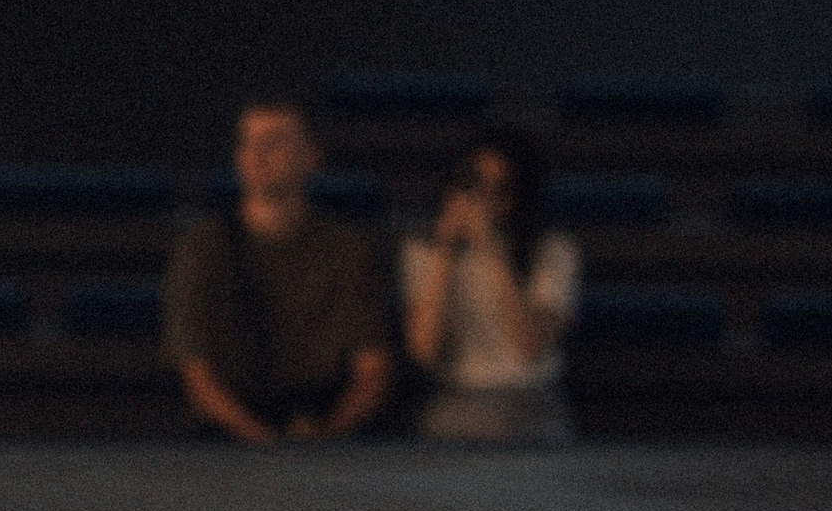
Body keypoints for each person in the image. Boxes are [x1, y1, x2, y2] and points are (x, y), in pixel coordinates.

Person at [164, 96, 396, 444]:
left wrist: (327, 436)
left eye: (274, 143)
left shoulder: (348, 249)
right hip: (231, 428)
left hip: (327, 420)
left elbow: (373, 369)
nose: (256, 156)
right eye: (247, 143)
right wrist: (262, 440)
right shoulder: (204, 249)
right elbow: (197, 374)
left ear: (311, 156)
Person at [401, 126, 580, 443]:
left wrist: (494, 254)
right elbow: (424, 351)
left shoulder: (553, 250)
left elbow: (530, 348)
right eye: (473, 186)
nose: (483, 202)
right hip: (456, 396)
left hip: (530, 397)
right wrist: (445, 254)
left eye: (499, 190)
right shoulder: (422, 250)